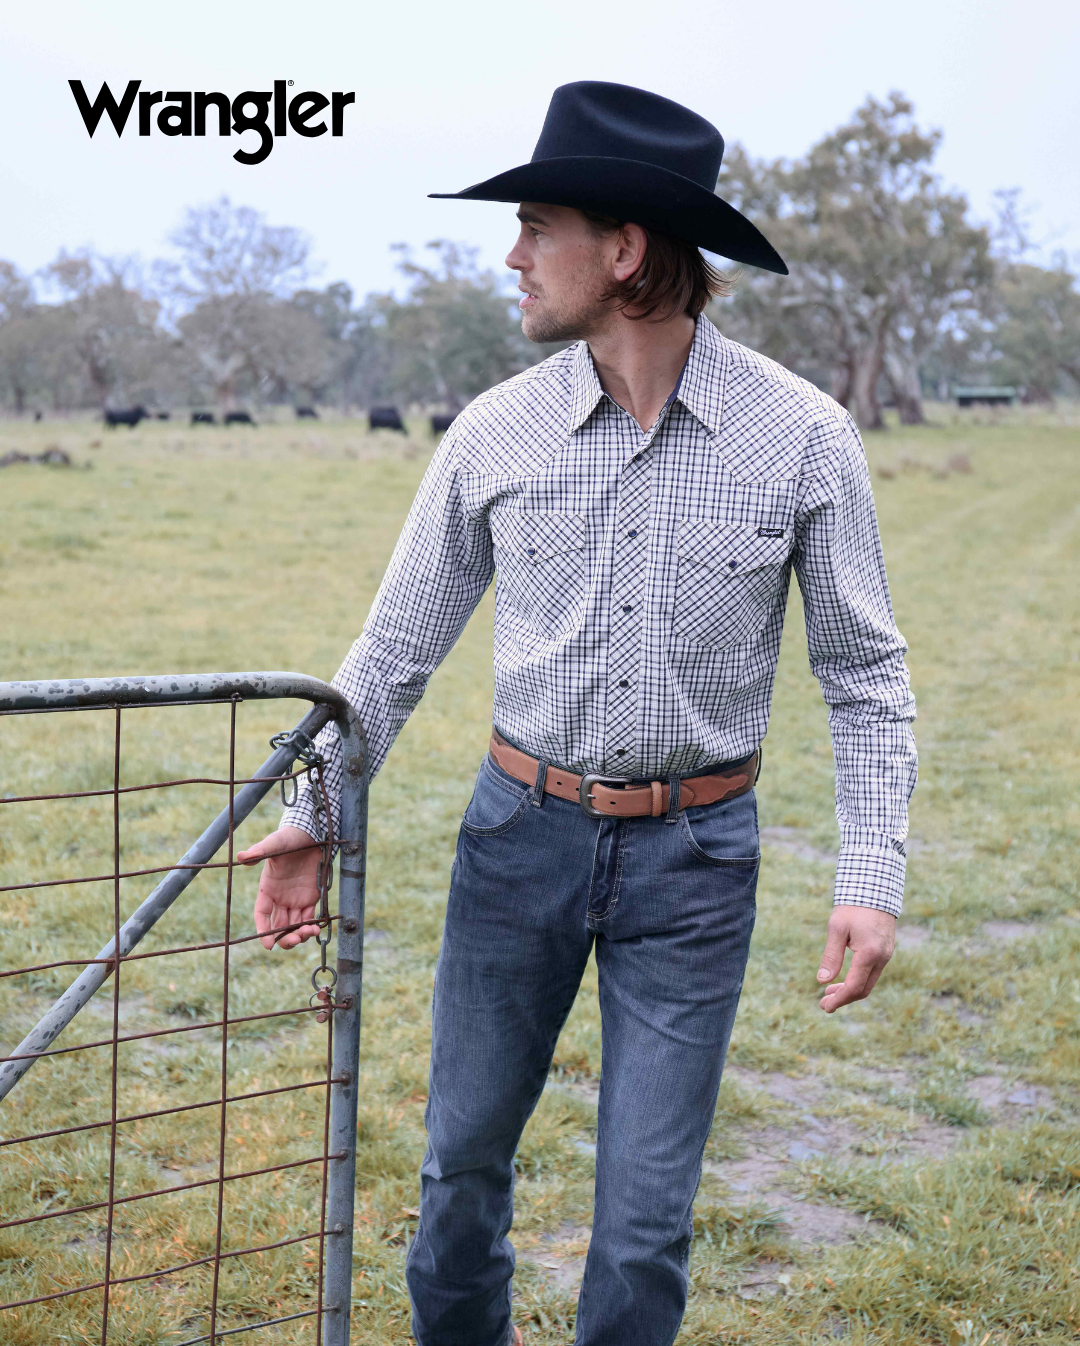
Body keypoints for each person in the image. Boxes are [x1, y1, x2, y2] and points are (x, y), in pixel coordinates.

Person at [238, 81, 917, 1346]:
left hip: (698, 861)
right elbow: (391, 652)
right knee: (457, 1184)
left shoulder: (805, 439)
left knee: (645, 1227)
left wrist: (870, 875)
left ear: (624, 251)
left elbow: (867, 675)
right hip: (519, 843)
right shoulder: (495, 433)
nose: (512, 255)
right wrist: (313, 813)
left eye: (536, 224)